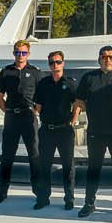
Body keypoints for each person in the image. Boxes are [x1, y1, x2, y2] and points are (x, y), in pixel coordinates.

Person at [75, 45, 112, 218]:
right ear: (99, 59)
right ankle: (89, 203)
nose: (107, 60)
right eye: (104, 57)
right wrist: (91, 110)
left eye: (110, 57)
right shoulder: (89, 78)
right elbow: (79, 100)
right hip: (96, 131)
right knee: (93, 168)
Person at [0, 39, 39, 204]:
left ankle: (38, 191)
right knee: (7, 155)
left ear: (28, 54)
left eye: (24, 52)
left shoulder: (35, 72)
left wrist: (36, 111)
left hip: (29, 117)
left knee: (34, 154)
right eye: (18, 52)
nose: (21, 55)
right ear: (14, 53)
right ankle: (2, 191)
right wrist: (8, 111)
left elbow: (41, 96)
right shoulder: (6, 72)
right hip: (12, 117)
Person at [32, 49, 78, 210]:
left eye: (58, 62)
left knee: (68, 166)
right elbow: (37, 106)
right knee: (44, 165)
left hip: (65, 130)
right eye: (52, 62)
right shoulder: (43, 84)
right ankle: (43, 198)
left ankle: (69, 199)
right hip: (47, 131)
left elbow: (77, 104)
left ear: (63, 63)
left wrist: (73, 120)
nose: (55, 65)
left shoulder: (70, 83)